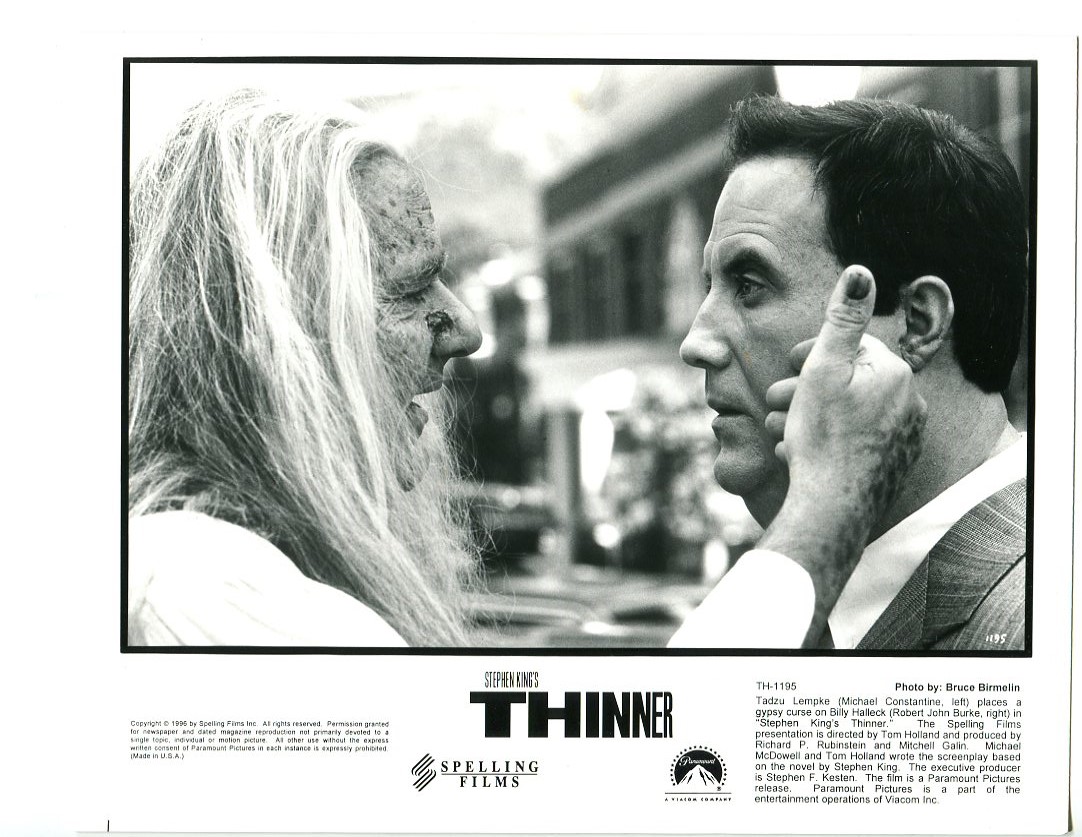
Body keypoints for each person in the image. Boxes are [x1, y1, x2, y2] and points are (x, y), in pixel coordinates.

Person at [669, 96, 1028, 650]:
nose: (696, 343)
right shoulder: (818, 593)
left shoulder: (1035, 615)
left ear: (917, 323)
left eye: (749, 285)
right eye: (709, 287)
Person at [128, 89, 483, 646]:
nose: (465, 330)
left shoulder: (222, 578)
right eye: (410, 288)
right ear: (271, 334)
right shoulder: (215, 595)